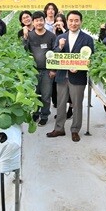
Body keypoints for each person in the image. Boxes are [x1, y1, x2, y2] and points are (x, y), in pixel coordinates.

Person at [47, 11, 95, 142]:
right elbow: (54, 55)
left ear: (81, 22)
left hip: (78, 77)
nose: (73, 23)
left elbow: (91, 59)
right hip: (62, 76)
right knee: (60, 104)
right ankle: (59, 128)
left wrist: (78, 67)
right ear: (66, 22)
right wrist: (60, 47)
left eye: (76, 20)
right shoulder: (60, 37)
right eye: (71, 20)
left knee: (77, 104)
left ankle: (75, 130)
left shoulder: (87, 39)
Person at [23, 11, 57, 126]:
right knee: (35, 94)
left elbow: (55, 52)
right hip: (33, 70)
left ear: (44, 21)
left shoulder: (51, 36)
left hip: (47, 70)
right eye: (36, 20)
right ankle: (36, 113)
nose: (39, 22)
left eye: (41, 20)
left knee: (46, 95)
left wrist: (53, 70)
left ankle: (44, 115)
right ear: (33, 22)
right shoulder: (30, 35)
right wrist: (24, 37)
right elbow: (24, 50)